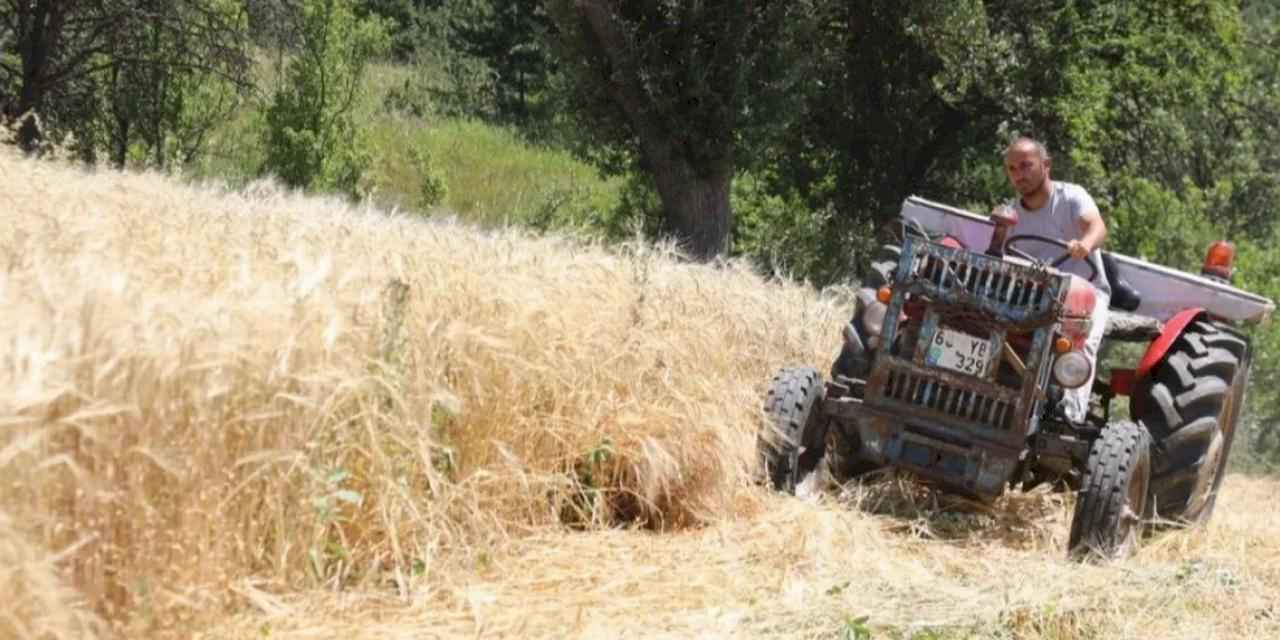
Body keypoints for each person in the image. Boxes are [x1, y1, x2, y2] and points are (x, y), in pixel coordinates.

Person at [1001, 137, 1110, 423]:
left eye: (1026, 166)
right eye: (1012, 169)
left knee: (1080, 342)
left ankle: (1069, 416)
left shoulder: (1071, 197)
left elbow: (1097, 227)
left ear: (1046, 165)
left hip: (1084, 291)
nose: (1019, 175)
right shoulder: (1010, 214)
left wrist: (1085, 244)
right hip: (1034, 293)